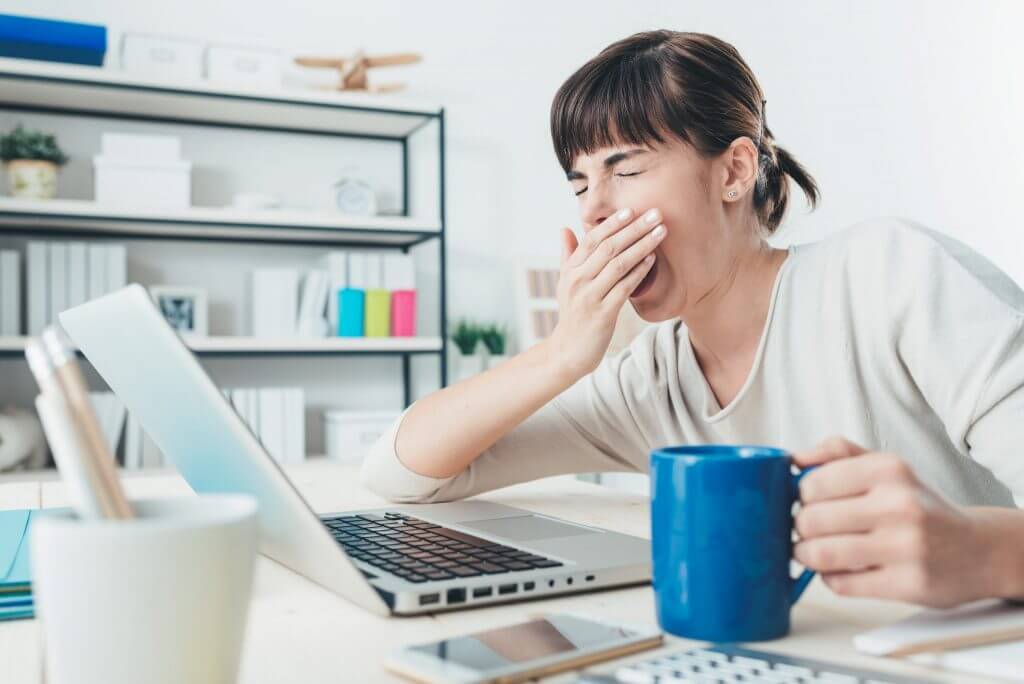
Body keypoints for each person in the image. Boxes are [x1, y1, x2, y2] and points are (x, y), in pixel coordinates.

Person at [362, 30, 1024, 608]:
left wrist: (980, 551)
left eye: (626, 168)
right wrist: (561, 354)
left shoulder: (890, 274)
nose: (592, 210)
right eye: (580, 184)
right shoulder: (650, 381)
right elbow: (404, 471)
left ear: (734, 170)